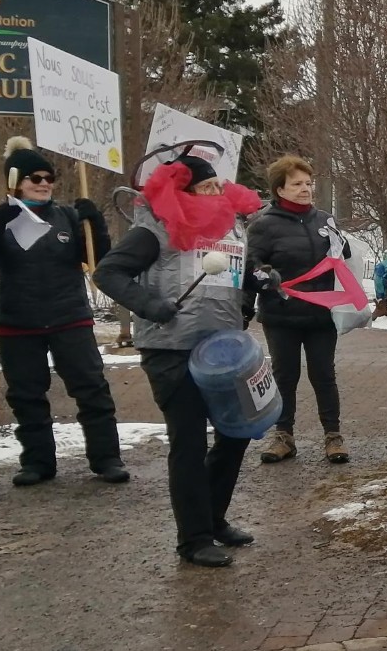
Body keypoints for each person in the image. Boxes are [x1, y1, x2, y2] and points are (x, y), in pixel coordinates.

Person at [93, 154, 262, 567]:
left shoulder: (230, 225)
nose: (216, 193)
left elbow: (238, 276)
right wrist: (149, 305)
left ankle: (213, 518)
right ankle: (194, 539)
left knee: (236, 434)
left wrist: (257, 285)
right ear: (183, 190)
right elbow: (108, 273)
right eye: (206, 188)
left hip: (224, 349)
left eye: (217, 186)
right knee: (188, 442)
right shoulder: (155, 228)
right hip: (171, 350)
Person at [0, 136, 125, 487]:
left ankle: (107, 459)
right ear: (15, 181)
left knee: (92, 389)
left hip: (70, 318)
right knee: (27, 396)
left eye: (49, 178)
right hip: (17, 323)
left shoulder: (67, 216)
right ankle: (37, 463)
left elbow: (97, 259)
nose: (44, 184)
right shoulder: (1, 218)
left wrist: (95, 224)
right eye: (35, 178)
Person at [245, 154, 351, 466]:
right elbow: (251, 268)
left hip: (321, 314)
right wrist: (266, 277)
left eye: (308, 183)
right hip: (282, 315)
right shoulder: (263, 225)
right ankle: (283, 436)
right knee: (285, 375)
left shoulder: (324, 220)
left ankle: (333, 436)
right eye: (296, 184)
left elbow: (342, 257)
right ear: (280, 189)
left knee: (324, 374)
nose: (305, 189)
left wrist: (340, 243)